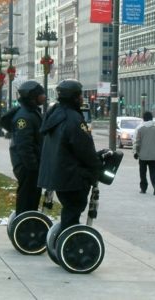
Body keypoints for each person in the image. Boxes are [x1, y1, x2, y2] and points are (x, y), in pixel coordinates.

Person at [38, 79, 102, 231]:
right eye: (80, 95)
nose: (82, 99)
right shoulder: (74, 119)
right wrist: (96, 166)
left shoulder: (54, 113)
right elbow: (84, 148)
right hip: (71, 176)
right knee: (74, 208)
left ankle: (65, 237)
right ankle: (69, 242)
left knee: (70, 209)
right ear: (74, 97)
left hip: (57, 174)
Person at [2, 80, 46, 215]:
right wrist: (33, 167)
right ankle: (24, 226)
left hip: (32, 167)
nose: (44, 96)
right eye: (41, 93)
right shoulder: (24, 117)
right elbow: (24, 146)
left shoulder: (31, 112)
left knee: (32, 200)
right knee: (26, 201)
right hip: (27, 167)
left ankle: (29, 223)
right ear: (32, 96)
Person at [133, 111, 155, 195]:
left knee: (143, 172)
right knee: (154, 171)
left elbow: (137, 142)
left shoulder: (140, 129)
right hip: (154, 156)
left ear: (144, 119)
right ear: (151, 118)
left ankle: (143, 188)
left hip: (142, 156)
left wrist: (136, 152)